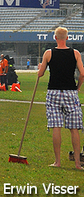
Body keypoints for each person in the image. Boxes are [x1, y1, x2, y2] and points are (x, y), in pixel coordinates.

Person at [37, 26, 84, 170]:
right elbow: (82, 74)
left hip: (53, 93)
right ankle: (77, 163)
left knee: (56, 126)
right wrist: (78, 87)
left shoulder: (48, 53)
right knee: (74, 128)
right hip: (71, 92)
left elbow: (40, 74)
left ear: (55, 38)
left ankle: (57, 161)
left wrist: (40, 67)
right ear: (67, 38)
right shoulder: (75, 53)